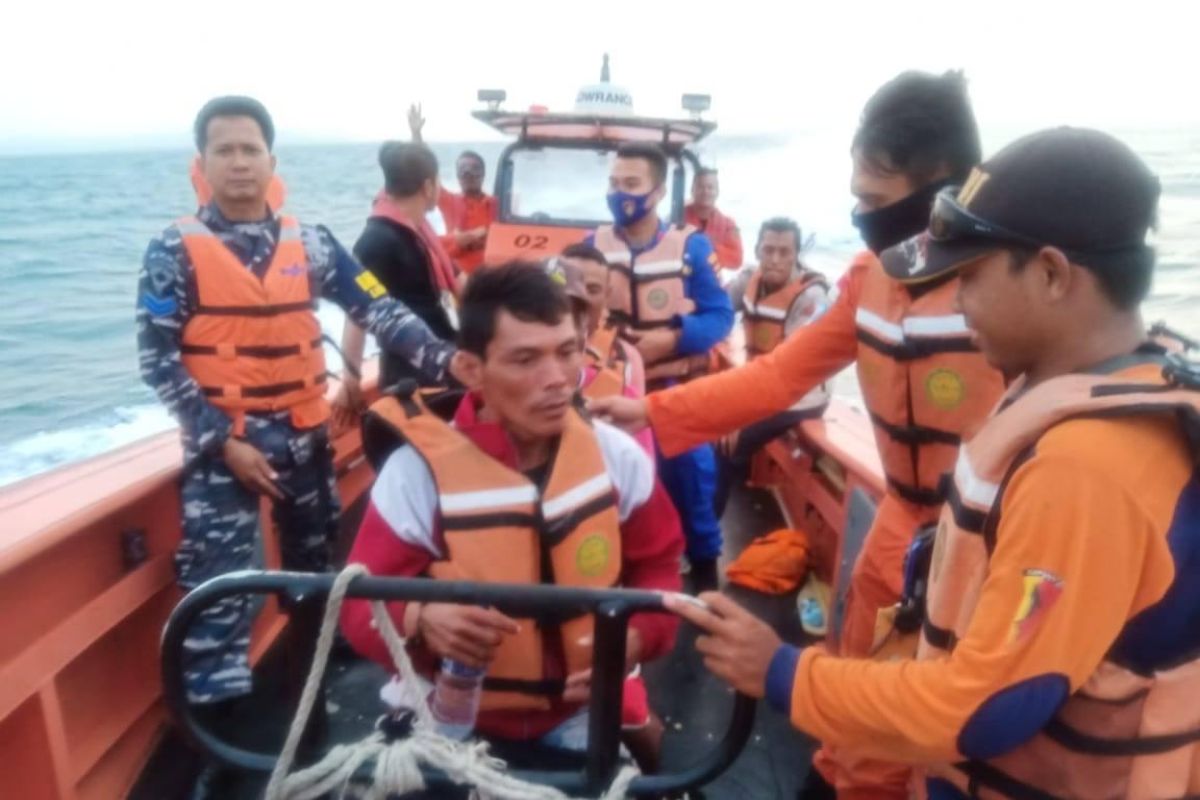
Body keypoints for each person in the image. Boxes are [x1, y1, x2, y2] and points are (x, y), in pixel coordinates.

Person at [666, 127, 1200, 800]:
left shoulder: (1083, 470)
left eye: (970, 275)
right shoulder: (1085, 387)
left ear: (1051, 274)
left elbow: (983, 709)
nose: (961, 299)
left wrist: (779, 670)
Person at [589, 71, 1007, 799]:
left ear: (940, 186)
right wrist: (653, 412)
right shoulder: (872, 277)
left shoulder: (1013, 289)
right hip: (901, 524)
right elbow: (780, 375)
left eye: (874, 201)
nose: (861, 215)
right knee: (852, 670)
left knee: (948, 717)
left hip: (990, 543)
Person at [136, 95, 455, 711]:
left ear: (271, 159)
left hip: (306, 440)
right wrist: (222, 441)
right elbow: (157, 359)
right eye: (223, 150)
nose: (238, 163)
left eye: (250, 149)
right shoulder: (172, 251)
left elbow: (379, 308)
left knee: (315, 570)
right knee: (220, 588)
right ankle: (219, 737)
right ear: (201, 163)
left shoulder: (311, 243)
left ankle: (310, 686)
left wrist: (452, 363)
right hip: (221, 448)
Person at [340, 264, 684, 774]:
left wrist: (637, 637)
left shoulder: (617, 456)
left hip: (582, 706)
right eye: (525, 359)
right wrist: (419, 619)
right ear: (470, 369)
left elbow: (660, 569)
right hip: (445, 711)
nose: (557, 381)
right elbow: (354, 607)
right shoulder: (417, 475)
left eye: (567, 353)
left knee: (653, 759)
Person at [591, 142, 734, 592]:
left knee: (693, 477)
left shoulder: (691, 248)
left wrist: (671, 338)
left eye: (630, 184)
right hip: (614, 389)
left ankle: (705, 571)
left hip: (674, 384)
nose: (619, 193)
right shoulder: (591, 246)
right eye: (614, 183)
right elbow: (563, 306)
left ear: (655, 192)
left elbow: (720, 316)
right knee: (611, 483)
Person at [333, 141, 461, 424]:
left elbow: (464, 284)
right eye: (438, 182)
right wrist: (351, 379)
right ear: (429, 187)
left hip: (447, 365)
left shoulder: (421, 235)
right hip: (412, 380)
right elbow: (357, 313)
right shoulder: (377, 241)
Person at [715, 217, 830, 518]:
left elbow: (789, 373)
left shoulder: (811, 297)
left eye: (784, 252)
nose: (775, 260)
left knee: (727, 445)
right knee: (706, 424)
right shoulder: (749, 279)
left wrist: (740, 414)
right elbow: (717, 310)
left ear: (796, 255)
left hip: (800, 395)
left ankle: (704, 542)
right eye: (768, 250)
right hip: (762, 385)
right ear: (757, 250)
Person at [409, 103, 497, 273]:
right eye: (463, 171)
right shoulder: (450, 201)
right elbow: (427, 170)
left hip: (492, 279)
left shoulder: (496, 204)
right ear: (457, 176)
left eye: (474, 170)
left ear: (484, 174)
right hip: (460, 281)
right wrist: (416, 134)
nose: (469, 174)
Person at [558, 242, 646, 398]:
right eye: (571, 287)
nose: (581, 298)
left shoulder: (627, 358)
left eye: (592, 290)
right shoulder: (530, 349)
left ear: (607, 295)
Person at [685, 167, 744, 272]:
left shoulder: (728, 224)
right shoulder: (677, 218)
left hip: (712, 277)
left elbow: (737, 259)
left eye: (710, 187)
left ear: (717, 192)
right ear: (692, 190)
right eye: (700, 187)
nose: (705, 191)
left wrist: (707, 247)